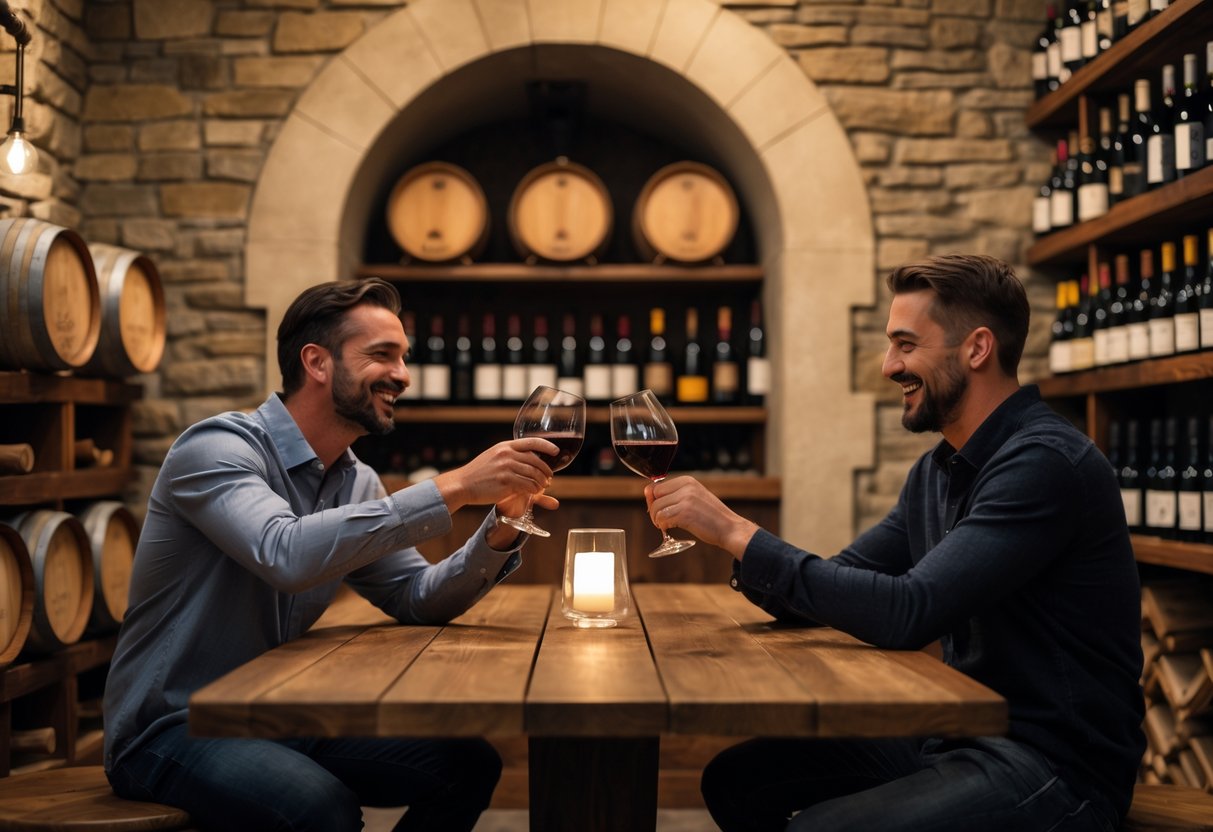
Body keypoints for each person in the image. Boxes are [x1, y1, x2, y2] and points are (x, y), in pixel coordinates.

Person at [646, 255, 1145, 832]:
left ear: (977, 348)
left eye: (905, 345)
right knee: (737, 778)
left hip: (1054, 765)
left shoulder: (1044, 463)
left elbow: (908, 610)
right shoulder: (936, 471)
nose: (888, 366)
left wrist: (739, 531)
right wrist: (737, 548)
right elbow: (837, 582)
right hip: (958, 735)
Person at [103, 278, 560, 832]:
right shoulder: (216, 449)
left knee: (467, 764)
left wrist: (503, 523)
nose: (403, 375)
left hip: (279, 712)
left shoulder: (355, 480)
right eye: (382, 355)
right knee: (321, 808)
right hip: (174, 725)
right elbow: (285, 552)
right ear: (317, 362)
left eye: (403, 357)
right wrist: (457, 485)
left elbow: (417, 597)